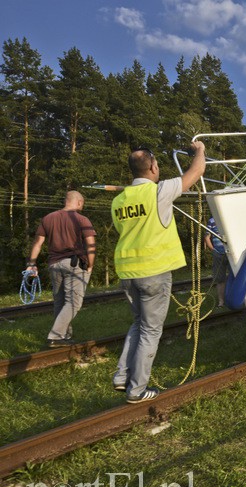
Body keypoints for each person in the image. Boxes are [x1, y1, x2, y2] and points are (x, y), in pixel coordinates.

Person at [111, 142, 206, 404]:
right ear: (153, 166)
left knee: (138, 324)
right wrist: (199, 149)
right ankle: (137, 390)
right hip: (154, 272)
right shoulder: (159, 192)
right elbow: (196, 172)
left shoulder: (118, 201)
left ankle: (122, 376)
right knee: (151, 331)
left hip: (128, 272)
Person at [26, 191, 96, 347]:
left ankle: (63, 335)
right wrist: (90, 266)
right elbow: (91, 245)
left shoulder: (48, 218)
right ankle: (56, 336)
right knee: (74, 303)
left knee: (60, 301)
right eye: (82, 204)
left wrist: (31, 263)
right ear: (78, 202)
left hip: (54, 265)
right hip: (74, 264)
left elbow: (37, 244)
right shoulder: (82, 219)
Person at [203, 216, 229, 308]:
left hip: (232, 253)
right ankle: (221, 302)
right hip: (219, 253)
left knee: (236, 276)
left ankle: (235, 299)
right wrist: (213, 250)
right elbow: (207, 237)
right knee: (220, 279)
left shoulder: (230, 216)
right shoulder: (211, 220)